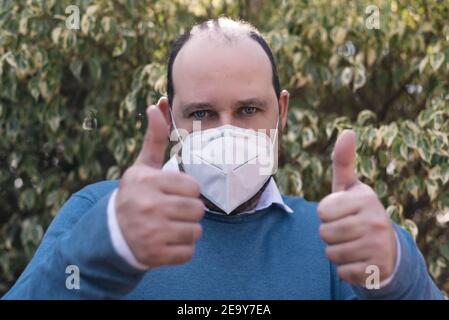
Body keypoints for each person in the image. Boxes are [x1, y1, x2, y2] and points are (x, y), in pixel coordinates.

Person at [3, 17, 443, 299]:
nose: (227, 131)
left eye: (249, 110)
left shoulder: (331, 239)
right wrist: (105, 247)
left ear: (281, 113)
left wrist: (398, 273)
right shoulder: (97, 213)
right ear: (167, 119)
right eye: (201, 113)